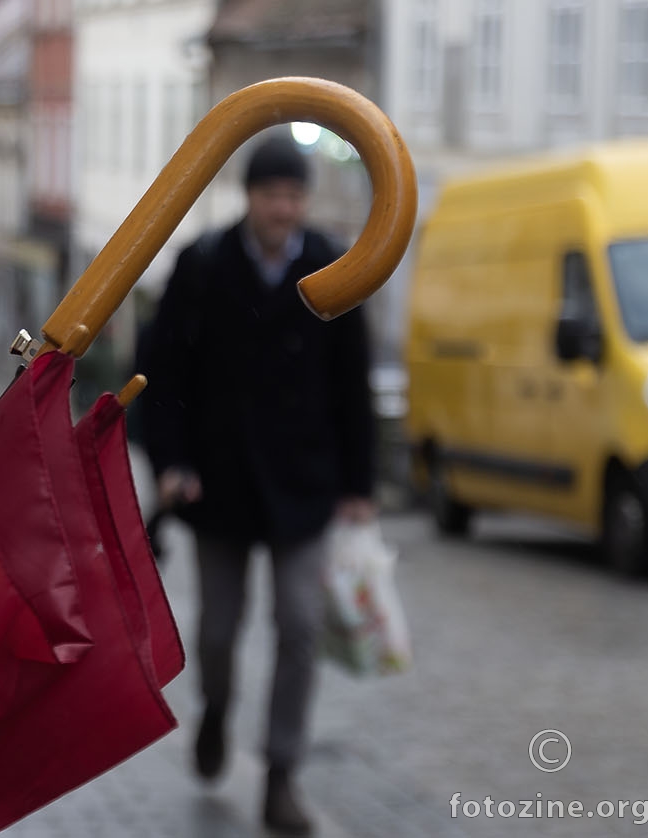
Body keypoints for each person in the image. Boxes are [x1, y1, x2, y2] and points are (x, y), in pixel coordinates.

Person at [139, 132, 375, 836]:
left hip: (304, 482)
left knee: (300, 626)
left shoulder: (332, 267)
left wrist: (359, 484)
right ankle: (215, 708)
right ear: (250, 197)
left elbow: (351, 384)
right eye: (274, 194)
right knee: (217, 629)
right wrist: (171, 465)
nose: (285, 207)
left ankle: (281, 773)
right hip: (220, 484)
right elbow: (163, 375)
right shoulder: (204, 265)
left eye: (295, 195)